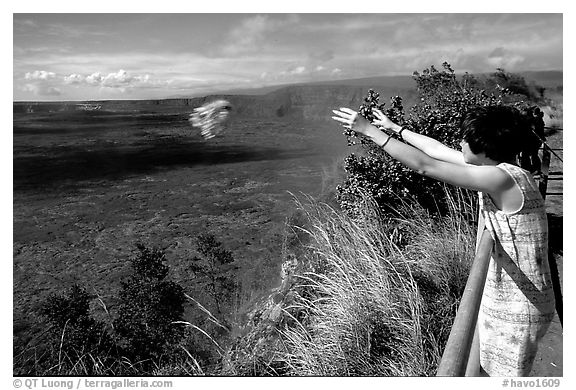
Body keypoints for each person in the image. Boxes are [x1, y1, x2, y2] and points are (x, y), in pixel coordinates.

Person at [331, 105, 556, 376]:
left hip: (520, 305)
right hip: (518, 297)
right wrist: (395, 129)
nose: (460, 143)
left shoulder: (501, 178)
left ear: (484, 148)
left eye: (465, 140)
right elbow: (436, 151)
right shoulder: (503, 168)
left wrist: (369, 131)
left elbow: (426, 166)